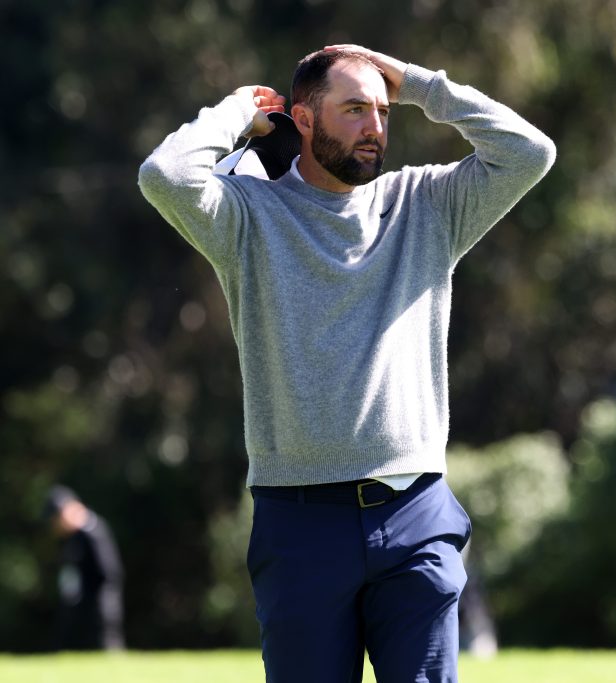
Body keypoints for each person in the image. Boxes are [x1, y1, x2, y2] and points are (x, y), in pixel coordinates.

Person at [138, 44, 556, 682]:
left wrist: (420, 85)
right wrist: (235, 112)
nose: (375, 127)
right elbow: (163, 175)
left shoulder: (426, 204)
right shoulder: (246, 215)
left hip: (415, 513)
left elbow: (530, 152)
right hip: (299, 522)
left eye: (383, 111)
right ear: (303, 120)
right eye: (355, 109)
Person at [41, 485, 125, 651]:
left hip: (100, 608)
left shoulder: (93, 531)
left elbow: (110, 573)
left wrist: (99, 605)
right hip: (82, 607)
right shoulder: (75, 537)